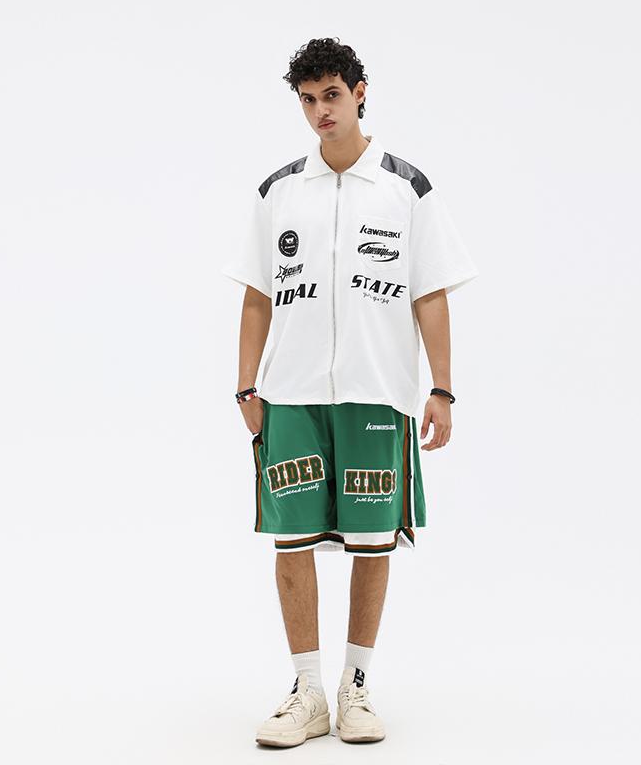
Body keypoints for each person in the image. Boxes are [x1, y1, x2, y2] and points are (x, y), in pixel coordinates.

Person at [220, 37, 478, 748]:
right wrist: (245, 386)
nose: (320, 112)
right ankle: (305, 691)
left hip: (376, 390)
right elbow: (255, 295)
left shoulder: (406, 187)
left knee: (371, 542)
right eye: (307, 100)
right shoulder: (278, 191)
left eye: (331, 96)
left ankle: (355, 686)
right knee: (291, 540)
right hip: (291, 393)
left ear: (360, 93)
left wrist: (442, 389)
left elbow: (430, 293)